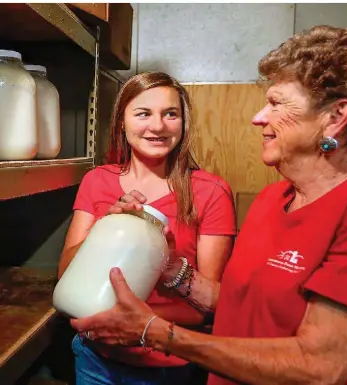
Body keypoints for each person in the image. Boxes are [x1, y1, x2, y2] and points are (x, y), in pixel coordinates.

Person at [71, 25, 347, 385]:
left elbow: (318, 367)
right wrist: (170, 267)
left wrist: (154, 332)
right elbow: (233, 307)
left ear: (336, 116)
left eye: (276, 104)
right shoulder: (273, 201)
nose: (258, 118)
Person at [58, 71, 237, 385]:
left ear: (183, 123)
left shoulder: (210, 191)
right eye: (143, 113)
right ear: (122, 122)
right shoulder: (97, 180)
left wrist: (139, 320)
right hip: (95, 357)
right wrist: (105, 225)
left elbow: (210, 306)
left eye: (171, 114)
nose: (158, 126)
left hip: (166, 363)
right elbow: (65, 275)